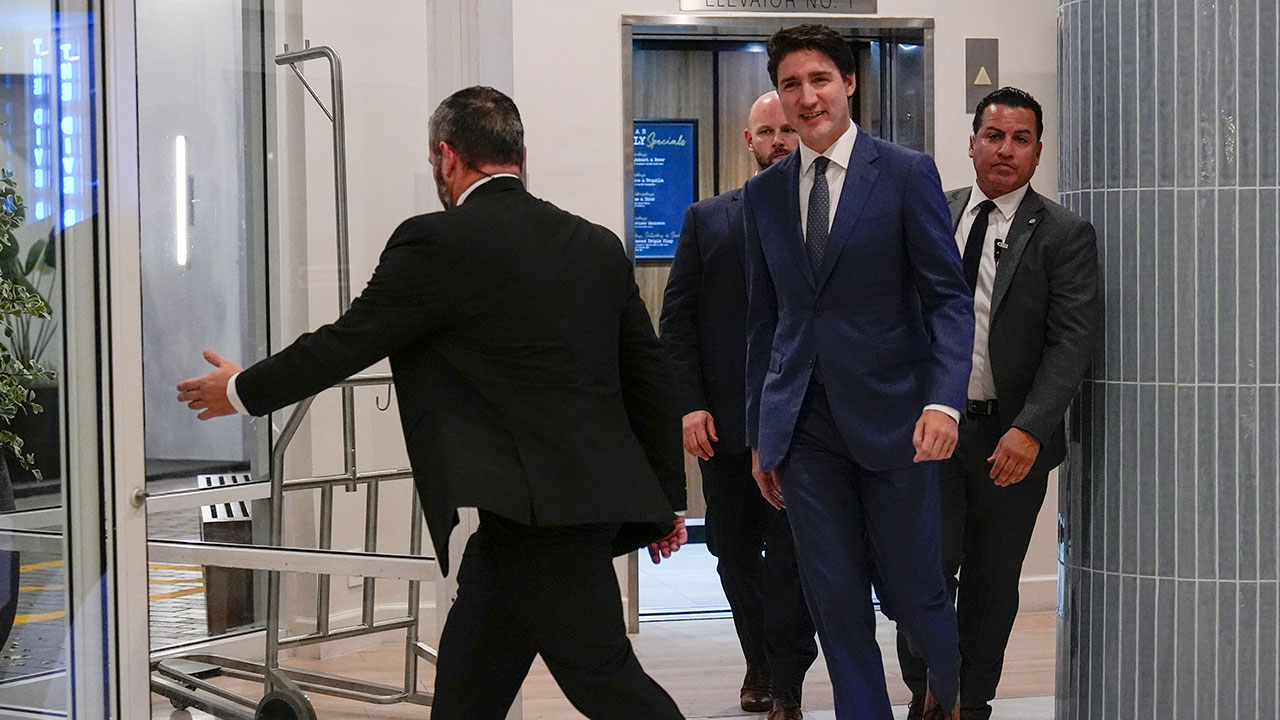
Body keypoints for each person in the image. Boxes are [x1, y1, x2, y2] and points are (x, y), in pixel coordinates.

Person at [176, 86, 690, 720]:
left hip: (541, 521)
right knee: (470, 687)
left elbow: (346, 342)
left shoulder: (437, 243)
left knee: (606, 681)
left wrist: (241, 390)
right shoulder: (595, 244)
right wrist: (668, 498)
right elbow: (648, 375)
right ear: (520, 154)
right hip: (539, 514)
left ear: (447, 159)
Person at [742, 24, 974, 720]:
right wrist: (763, 432)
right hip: (806, 428)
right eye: (791, 84)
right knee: (836, 605)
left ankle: (949, 696)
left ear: (849, 83)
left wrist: (944, 402)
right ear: (779, 97)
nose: (806, 97)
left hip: (897, 421)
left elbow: (948, 301)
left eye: (819, 80)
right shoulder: (765, 195)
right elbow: (766, 323)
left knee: (917, 596)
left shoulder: (905, 173)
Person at [895, 86, 1100, 720]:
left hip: (1010, 442)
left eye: (1020, 138)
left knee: (991, 583)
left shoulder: (1064, 234)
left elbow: (1072, 343)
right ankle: (928, 690)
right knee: (922, 571)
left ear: (1038, 151)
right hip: (930, 431)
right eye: (993, 136)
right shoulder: (934, 211)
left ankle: (969, 702)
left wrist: (1033, 429)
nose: (1005, 149)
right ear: (972, 143)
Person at [659, 91, 817, 720]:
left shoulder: (823, 217)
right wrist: (690, 405)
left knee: (794, 557)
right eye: (766, 131)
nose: (779, 140)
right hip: (724, 425)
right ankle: (760, 655)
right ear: (747, 141)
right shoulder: (707, 219)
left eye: (788, 131)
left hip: (805, 425)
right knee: (729, 548)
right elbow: (678, 322)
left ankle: (786, 683)